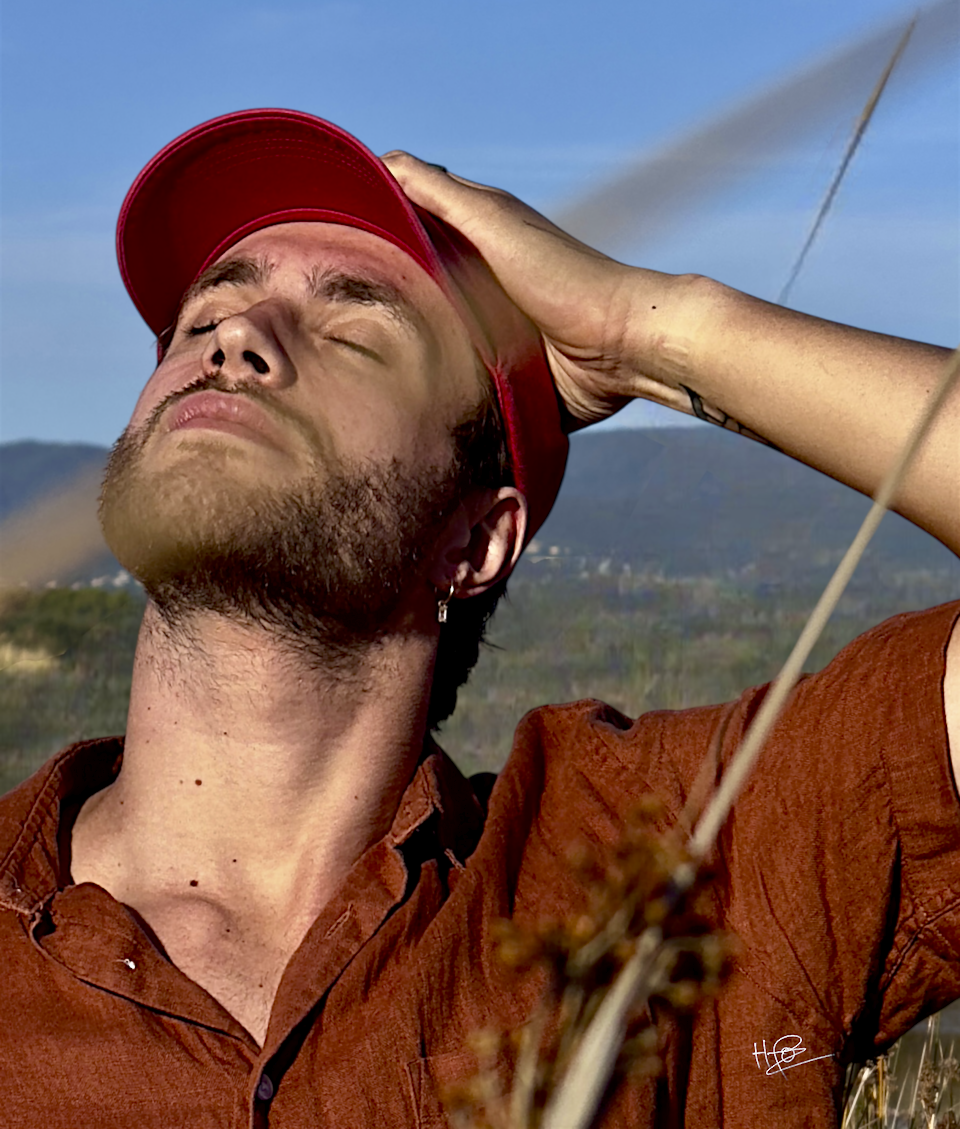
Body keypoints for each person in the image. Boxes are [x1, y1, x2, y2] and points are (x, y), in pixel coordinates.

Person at [0, 109, 957, 1129]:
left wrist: (653, 329)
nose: (238, 336)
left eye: (352, 334)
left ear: (476, 540)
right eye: (202, 322)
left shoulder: (665, 871)